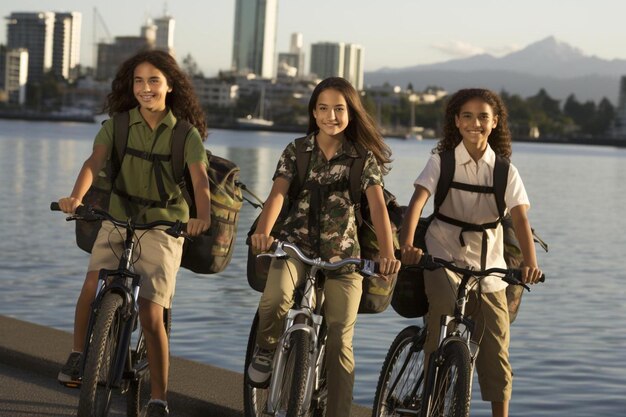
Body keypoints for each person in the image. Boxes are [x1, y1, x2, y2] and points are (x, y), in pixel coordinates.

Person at [56, 50, 210, 417]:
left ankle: (158, 398)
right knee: (91, 286)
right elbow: (94, 161)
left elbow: (200, 180)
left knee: (150, 313)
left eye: (154, 80)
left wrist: (201, 216)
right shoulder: (118, 125)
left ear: (170, 86)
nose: (145, 88)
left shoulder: (185, 135)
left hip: (164, 225)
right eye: (138, 81)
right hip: (120, 216)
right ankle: (79, 356)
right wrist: (76, 197)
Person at [247, 77, 401, 417]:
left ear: (351, 113)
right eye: (323, 108)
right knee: (274, 299)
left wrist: (389, 253)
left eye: (339, 108)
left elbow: (377, 208)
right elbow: (277, 195)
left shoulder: (362, 159)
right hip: (296, 244)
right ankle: (266, 347)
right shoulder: (297, 151)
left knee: (340, 340)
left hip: (344, 256)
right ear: (313, 113)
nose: (331, 115)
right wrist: (263, 232)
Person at [400, 88, 543, 417]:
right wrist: (407, 246)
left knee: (496, 351)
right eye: (467, 115)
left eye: (483, 116)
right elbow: (418, 202)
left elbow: (521, 218)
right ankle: (431, 399)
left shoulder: (506, 171)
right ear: (456, 121)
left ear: (495, 123)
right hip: (442, 254)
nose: (475, 122)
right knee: (444, 310)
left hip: (489, 264)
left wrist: (530, 266)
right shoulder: (442, 160)